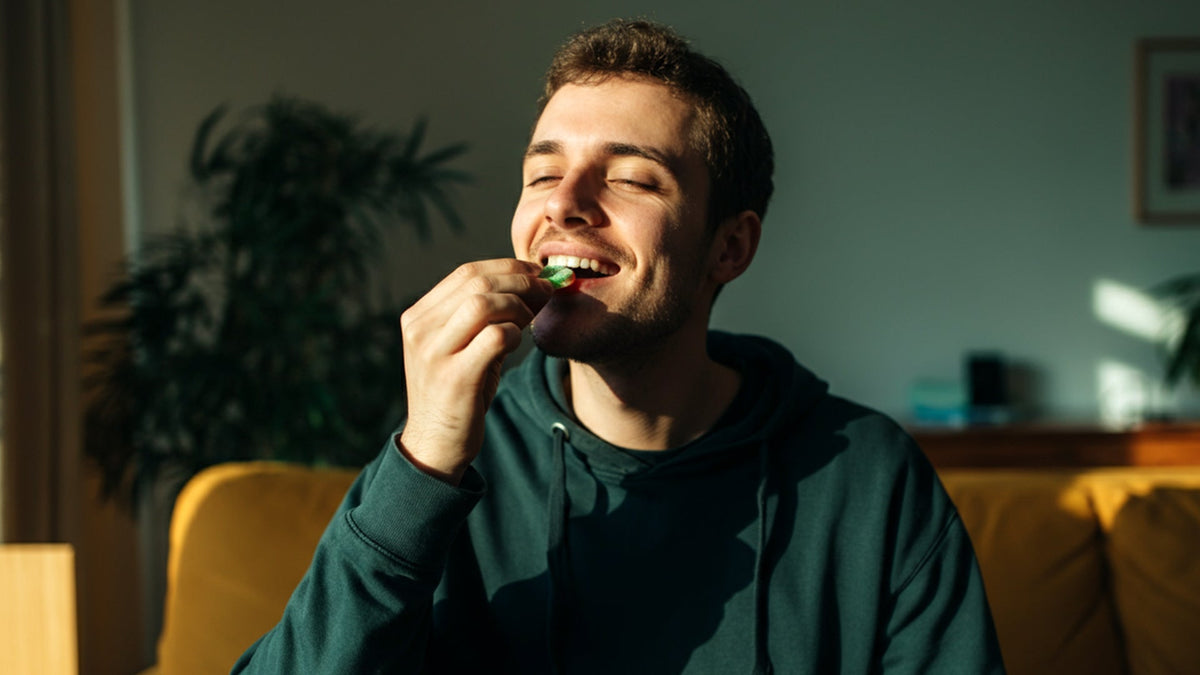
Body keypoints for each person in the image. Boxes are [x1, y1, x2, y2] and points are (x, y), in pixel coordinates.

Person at [233, 18, 1004, 674]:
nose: (564, 205)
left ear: (729, 247)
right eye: (543, 174)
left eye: (632, 179)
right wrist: (423, 462)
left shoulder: (871, 480)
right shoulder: (443, 471)